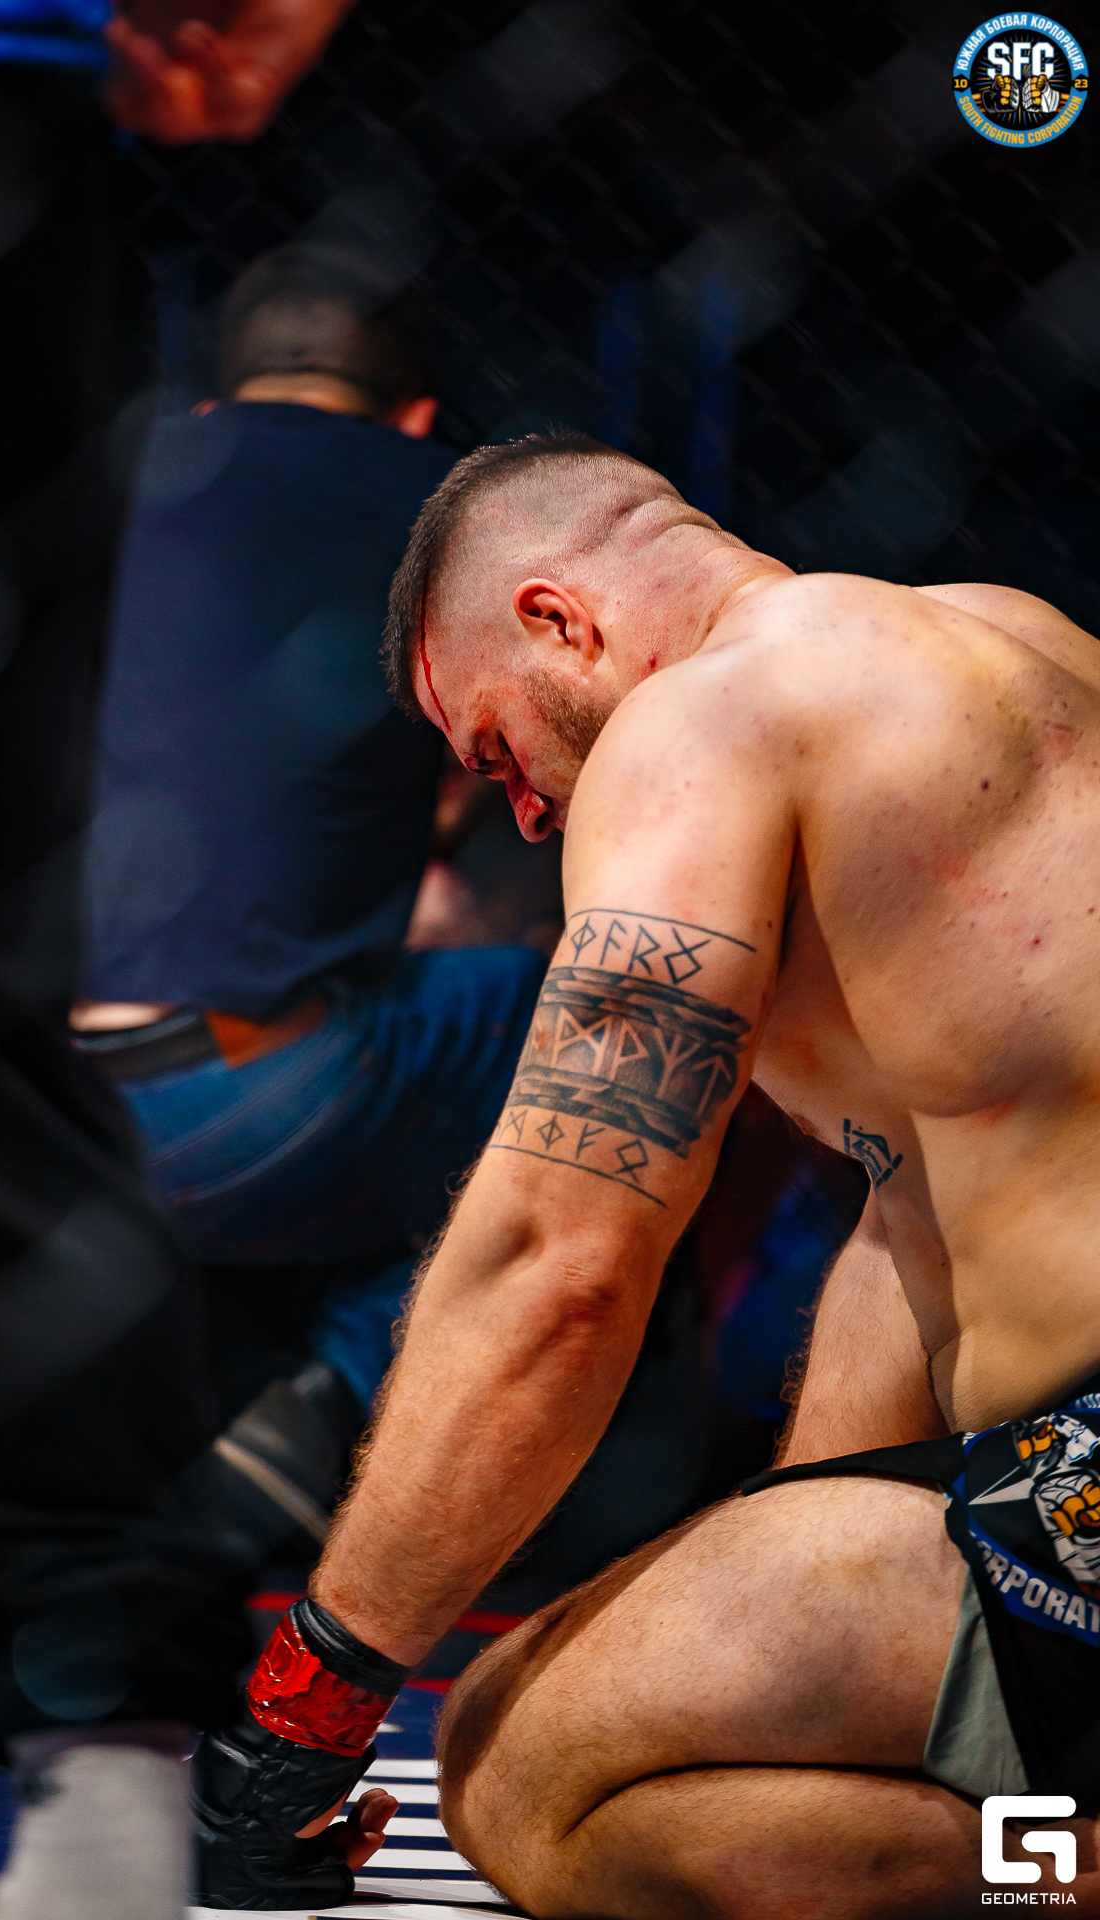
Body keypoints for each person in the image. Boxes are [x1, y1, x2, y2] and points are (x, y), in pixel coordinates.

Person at [194, 432, 1100, 1914]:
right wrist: (788, 1541)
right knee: (704, 1706)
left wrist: (310, 1703)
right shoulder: (1021, 645)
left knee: (516, 1768)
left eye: (497, 751)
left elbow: (560, 1259)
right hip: (1065, 1480)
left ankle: (1078, 1876)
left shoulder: (702, 722)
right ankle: (1053, 1853)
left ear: (560, 620)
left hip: (1086, 1492)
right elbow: (913, 1199)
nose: (525, 812)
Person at [0, 7, 390, 1920]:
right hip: (180, 1078)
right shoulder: (430, 506)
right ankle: (252, 1490)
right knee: (538, 1019)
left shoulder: (197, 459)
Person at [71, 244, 547, 1533]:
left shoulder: (110, 473)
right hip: (247, 1096)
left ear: (215, 403)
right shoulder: (453, 515)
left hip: (24, 1098)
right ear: (414, 416)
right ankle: (331, 1398)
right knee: (618, 1010)